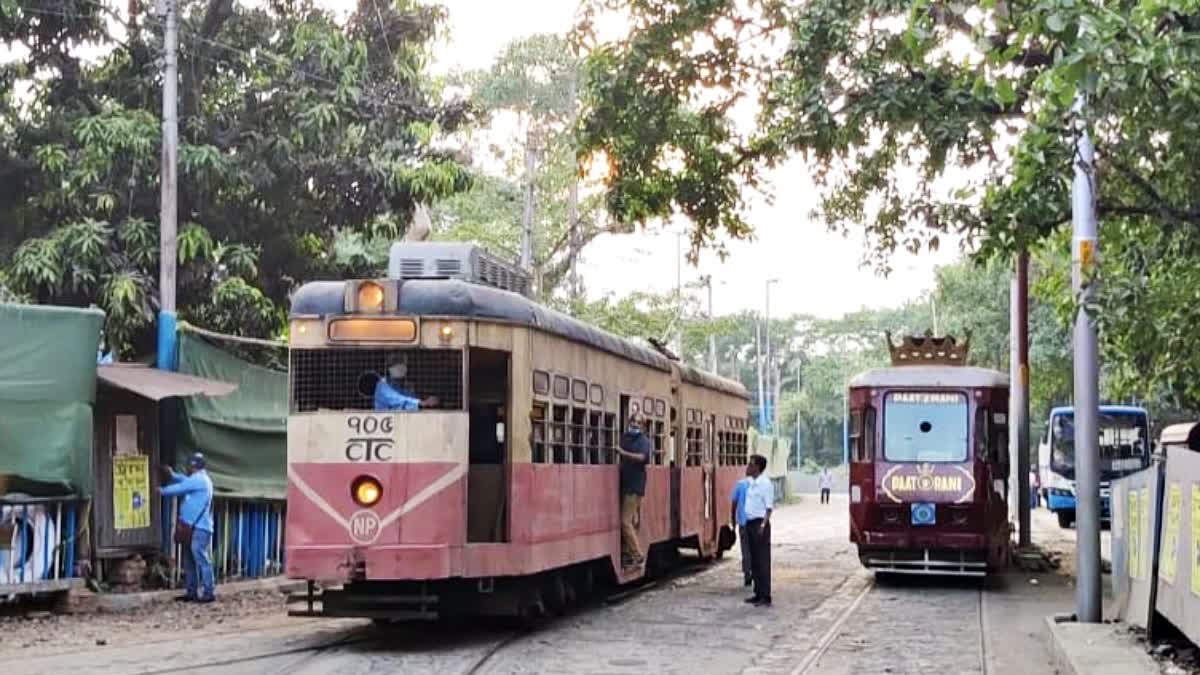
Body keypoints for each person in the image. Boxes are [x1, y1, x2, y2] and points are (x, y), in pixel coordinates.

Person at [160, 453, 215, 603]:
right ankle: (192, 592)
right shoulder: (200, 479)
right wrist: (172, 474)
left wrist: (160, 491)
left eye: (189, 465)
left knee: (200, 559)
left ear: (193, 466)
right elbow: (185, 481)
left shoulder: (198, 480)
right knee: (189, 559)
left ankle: (208, 591)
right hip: (194, 527)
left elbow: (181, 487)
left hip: (198, 527)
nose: (187, 468)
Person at [616, 412, 651, 568]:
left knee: (625, 521)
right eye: (633, 421)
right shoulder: (625, 438)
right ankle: (627, 554)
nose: (635, 425)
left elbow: (642, 458)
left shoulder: (643, 441)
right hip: (626, 484)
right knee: (632, 520)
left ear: (643, 426)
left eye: (638, 422)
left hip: (635, 486)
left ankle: (637, 555)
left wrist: (623, 453)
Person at [744, 453, 774, 607]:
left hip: (759, 524)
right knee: (754, 560)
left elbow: (769, 508)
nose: (747, 466)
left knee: (762, 561)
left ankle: (765, 595)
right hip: (750, 523)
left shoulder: (765, 484)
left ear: (757, 467)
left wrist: (763, 525)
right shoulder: (751, 483)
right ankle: (757, 592)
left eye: (750, 464)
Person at [374, 359, 439, 411]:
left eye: (402, 363)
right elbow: (397, 398)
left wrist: (424, 399)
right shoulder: (383, 385)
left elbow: (405, 395)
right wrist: (420, 403)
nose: (402, 366)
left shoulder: (394, 384)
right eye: (397, 363)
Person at [730, 465, 753, 587]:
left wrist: (733, 520)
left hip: (744, 523)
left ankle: (747, 575)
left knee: (746, 550)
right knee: (756, 550)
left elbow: (733, 504)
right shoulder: (761, 485)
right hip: (756, 523)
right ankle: (756, 573)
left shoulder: (740, 485)